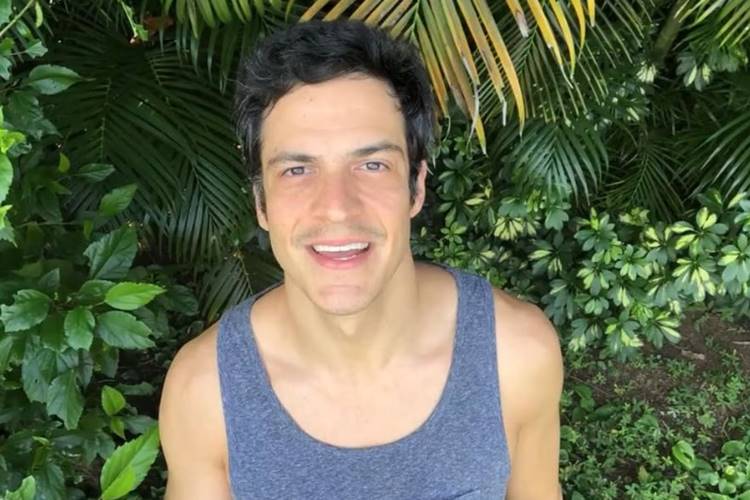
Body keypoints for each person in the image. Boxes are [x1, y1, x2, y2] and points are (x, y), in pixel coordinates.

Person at [159, 19, 563, 500]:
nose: (337, 207)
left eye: (372, 165)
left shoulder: (515, 354)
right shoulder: (204, 392)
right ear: (261, 203)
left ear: (416, 186)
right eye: (297, 169)